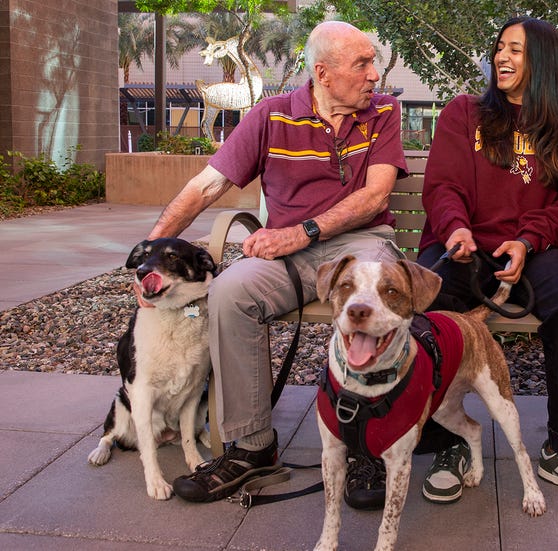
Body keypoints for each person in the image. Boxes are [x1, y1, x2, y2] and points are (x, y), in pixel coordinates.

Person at [142, 21, 408, 504]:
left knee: (369, 296)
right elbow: (206, 187)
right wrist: (147, 260)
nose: (375, 75)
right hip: (291, 255)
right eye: (362, 64)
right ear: (323, 73)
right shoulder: (272, 115)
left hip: (360, 243)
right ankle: (252, 448)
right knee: (230, 292)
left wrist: (300, 232)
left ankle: (369, 446)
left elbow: (374, 197)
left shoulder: (383, 112)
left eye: (373, 62)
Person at [413, 16, 558, 509]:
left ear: (542, 61)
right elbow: (444, 185)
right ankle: (450, 444)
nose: (501, 58)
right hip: (463, 245)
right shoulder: (464, 113)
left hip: (535, 249)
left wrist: (528, 240)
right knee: (431, 305)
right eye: (500, 48)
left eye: (516, 51)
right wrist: (455, 228)